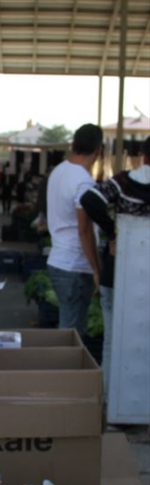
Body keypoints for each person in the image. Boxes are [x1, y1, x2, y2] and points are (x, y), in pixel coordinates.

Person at [79, 135, 150, 400]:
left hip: (117, 272)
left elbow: (90, 200)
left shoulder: (121, 183)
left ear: (143, 156)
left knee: (112, 340)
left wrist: (114, 232)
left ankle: (108, 399)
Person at [46, 123, 103, 338]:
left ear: (73, 144)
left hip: (57, 260)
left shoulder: (59, 171)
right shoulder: (84, 182)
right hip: (75, 265)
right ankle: (65, 371)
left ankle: (64, 369)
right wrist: (96, 268)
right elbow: (84, 230)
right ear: (99, 150)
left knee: (68, 329)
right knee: (73, 334)